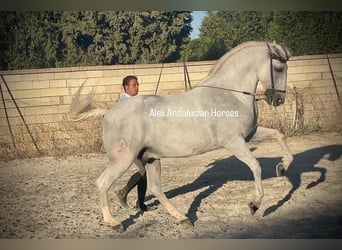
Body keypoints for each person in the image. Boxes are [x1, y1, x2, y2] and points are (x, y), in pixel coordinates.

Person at [115, 75, 150, 212]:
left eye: (137, 84)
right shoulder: (125, 103)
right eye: (134, 85)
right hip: (129, 143)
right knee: (142, 171)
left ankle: (140, 204)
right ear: (126, 87)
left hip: (139, 141)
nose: (137, 87)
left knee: (145, 172)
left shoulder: (135, 100)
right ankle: (123, 192)